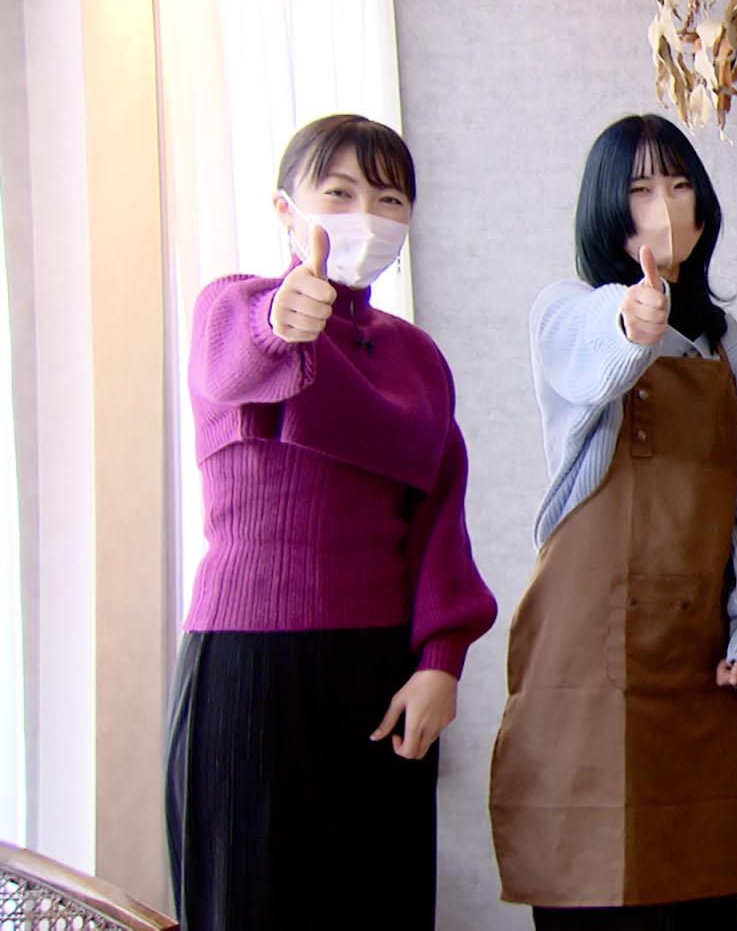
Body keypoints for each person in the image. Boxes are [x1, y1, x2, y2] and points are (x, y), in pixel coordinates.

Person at [168, 114, 498, 930]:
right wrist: (282, 321)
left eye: (389, 201)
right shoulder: (233, 307)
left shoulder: (416, 358)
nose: (366, 218)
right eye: (340, 194)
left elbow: (440, 520)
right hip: (247, 667)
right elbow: (236, 360)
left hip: (379, 674)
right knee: (249, 903)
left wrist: (442, 663)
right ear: (287, 211)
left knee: (380, 906)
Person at [489, 115, 737, 930]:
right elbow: (595, 350)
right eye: (640, 187)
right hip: (586, 664)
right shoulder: (566, 311)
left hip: (698, 664)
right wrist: (632, 324)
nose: (664, 203)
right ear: (605, 208)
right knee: (588, 890)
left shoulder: (724, 342)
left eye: (680, 184)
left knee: (698, 900)